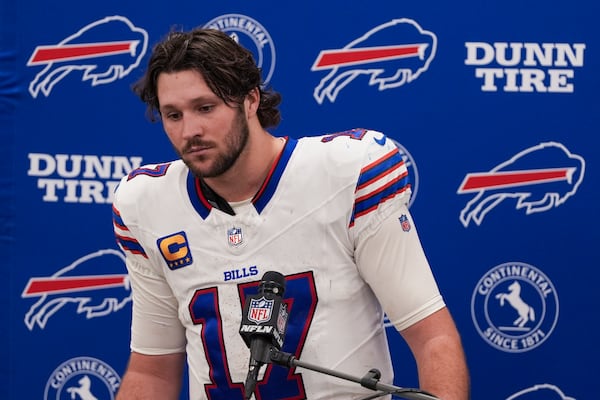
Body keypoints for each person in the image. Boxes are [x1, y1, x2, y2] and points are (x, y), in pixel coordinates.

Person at [112, 27, 470, 400]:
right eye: (173, 115)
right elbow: (152, 371)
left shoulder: (346, 173)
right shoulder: (146, 203)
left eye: (205, 108)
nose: (190, 130)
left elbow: (432, 337)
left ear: (250, 99)